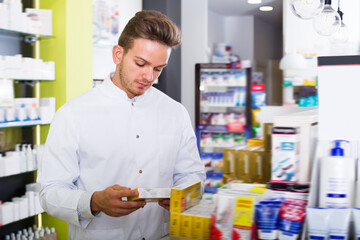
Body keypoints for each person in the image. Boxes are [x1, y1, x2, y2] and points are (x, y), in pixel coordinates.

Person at [37, 10, 205, 240]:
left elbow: (193, 175)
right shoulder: (73, 114)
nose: (149, 77)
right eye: (140, 63)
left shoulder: (175, 113)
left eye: (158, 69)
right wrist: (93, 201)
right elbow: (49, 193)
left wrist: (183, 195)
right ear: (118, 54)